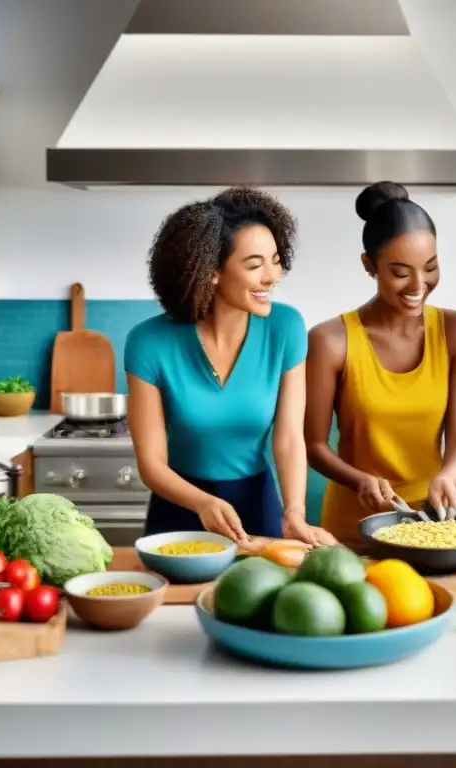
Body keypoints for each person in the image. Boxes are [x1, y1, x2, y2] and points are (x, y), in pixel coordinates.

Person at [125, 187, 336, 546]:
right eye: (255, 265)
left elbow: (287, 438)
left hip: (257, 506)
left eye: (275, 259)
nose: (272, 276)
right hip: (178, 509)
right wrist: (202, 502)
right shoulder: (148, 343)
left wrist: (295, 511)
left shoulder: (285, 328)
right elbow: (152, 464)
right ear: (213, 272)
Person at [305, 181, 456, 547]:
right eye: (400, 272)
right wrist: (359, 480)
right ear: (369, 265)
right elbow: (314, 445)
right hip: (354, 524)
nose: (419, 284)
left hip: (432, 523)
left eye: (430, 267)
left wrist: (449, 478)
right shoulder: (331, 340)